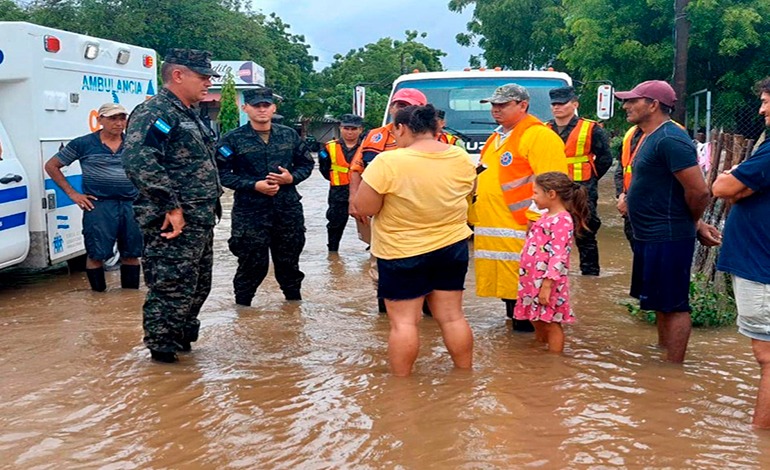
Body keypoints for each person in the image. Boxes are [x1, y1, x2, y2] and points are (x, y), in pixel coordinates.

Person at [353, 104, 476, 377]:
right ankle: (465, 376)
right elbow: (470, 190)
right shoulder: (461, 157)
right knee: (453, 317)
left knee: (404, 324)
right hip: (452, 248)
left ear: (402, 128)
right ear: (437, 128)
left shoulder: (389, 161)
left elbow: (365, 208)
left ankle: (401, 388)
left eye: (395, 130)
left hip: (401, 251)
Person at [122, 49, 223, 363]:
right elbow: (138, 159)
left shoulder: (188, 112)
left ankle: (181, 344)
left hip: (200, 218)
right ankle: (162, 358)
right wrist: (171, 206)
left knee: (197, 286)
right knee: (171, 287)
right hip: (174, 220)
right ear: (178, 75)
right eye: (202, 76)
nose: (208, 82)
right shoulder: (157, 111)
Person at [615, 80, 718, 363]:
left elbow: (699, 191)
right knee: (660, 301)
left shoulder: (671, 139)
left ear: (653, 104)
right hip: (650, 233)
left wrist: (692, 223)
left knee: (673, 304)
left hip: (668, 234)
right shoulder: (648, 135)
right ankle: (662, 357)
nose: (625, 106)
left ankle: (673, 370)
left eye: (632, 100)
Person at [469, 83, 567, 332]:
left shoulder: (539, 136)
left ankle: (531, 344)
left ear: (523, 105)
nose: (495, 110)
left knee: (528, 286)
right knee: (511, 287)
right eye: (493, 105)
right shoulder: (498, 136)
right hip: (497, 226)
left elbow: (553, 183)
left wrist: (537, 219)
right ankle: (518, 335)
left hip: (524, 226)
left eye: (502, 104)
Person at [216, 88, 314, 306]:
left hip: (287, 210)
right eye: (256, 105)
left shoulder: (289, 135)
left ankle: (293, 309)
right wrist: (253, 185)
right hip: (250, 213)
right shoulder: (232, 140)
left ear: (273, 108)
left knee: (289, 264)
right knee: (252, 264)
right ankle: (242, 310)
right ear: (245, 108)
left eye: (266, 105)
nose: (262, 109)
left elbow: (307, 163)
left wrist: (291, 178)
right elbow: (221, 174)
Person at [712, 76, 770, 429]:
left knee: (767, 358)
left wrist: (735, 182)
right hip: (760, 263)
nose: (762, 109)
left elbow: (723, 186)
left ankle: (759, 437)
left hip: (762, 268)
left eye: (767, 101)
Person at [44, 103, 142, 292]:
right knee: (96, 254)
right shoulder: (83, 144)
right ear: (100, 120)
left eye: (122, 118)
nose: (119, 123)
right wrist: (73, 194)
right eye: (113, 118)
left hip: (131, 203)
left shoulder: (135, 142)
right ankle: (98, 296)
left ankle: (130, 298)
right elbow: (51, 166)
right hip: (99, 205)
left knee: (132, 253)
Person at [348, 88, 428, 312]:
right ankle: (385, 310)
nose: (400, 109)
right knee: (381, 261)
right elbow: (356, 169)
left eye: (407, 106)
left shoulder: (434, 137)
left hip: (420, 214)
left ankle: (426, 309)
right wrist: (354, 200)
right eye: (398, 105)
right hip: (380, 213)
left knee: (423, 261)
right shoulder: (375, 135)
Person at [514, 172, 589, 352]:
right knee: (535, 317)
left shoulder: (562, 220)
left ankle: (554, 362)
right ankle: (541, 350)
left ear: (551, 194)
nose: (533, 197)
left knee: (550, 321)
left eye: (536, 193)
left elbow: (559, 254)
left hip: (548, 281)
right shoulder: (545, 216)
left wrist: (547, 284)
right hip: (532, 278)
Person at [546, 86, 613, 275]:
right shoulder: (544, 129)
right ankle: (553, 273)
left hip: (582, 190)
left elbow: (605, 159)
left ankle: (590, 276)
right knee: (550, 233)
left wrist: (590, 179)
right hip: (551, 190)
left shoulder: (591, 128)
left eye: (562, 103)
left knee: (585, 231)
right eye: (554, 104)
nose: (557, 107)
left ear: (574, 104)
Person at [318, 114, 364, 252]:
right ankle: (333, 253)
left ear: (360, 129)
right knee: (335, 224)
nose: (350, 132)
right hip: (338, 192)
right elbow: (324, 169)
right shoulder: (329, 147)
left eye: (354, 129)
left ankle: (374, 253)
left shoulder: (368, 147)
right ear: (341, 128)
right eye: (346, 128)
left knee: (369, 222)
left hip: (363, 192)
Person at [613, 124, 645, 247]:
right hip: (629, 205)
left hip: (654, 209)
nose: (626, 107)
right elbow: (622, 168)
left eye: (632, 103)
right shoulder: (631, 133)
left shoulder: (670, 134)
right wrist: (621, 195)